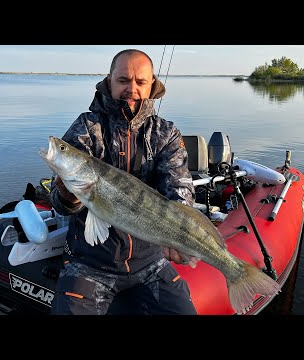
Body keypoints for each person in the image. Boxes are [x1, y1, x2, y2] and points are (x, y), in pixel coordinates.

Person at [49, 49, 199, 315]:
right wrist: (68, 197)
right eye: (123, 80)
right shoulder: (87, 127)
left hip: (151, 262)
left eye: (140, 82)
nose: (132, 89)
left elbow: (179, 189)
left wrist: (178, 235)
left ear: (152, 84)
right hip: (89, 263)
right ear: (109, 81)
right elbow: (60, 206)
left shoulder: (165, 134)